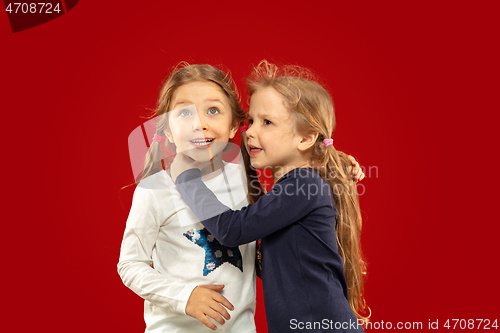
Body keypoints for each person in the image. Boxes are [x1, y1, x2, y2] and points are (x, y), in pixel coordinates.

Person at [171, 60, 369, 332]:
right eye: (251, 121)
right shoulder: (299, 188)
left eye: (267, 122)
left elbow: (232, 228)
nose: (250, 131)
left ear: (306, 138)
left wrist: (186, 178)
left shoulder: (302, 186)